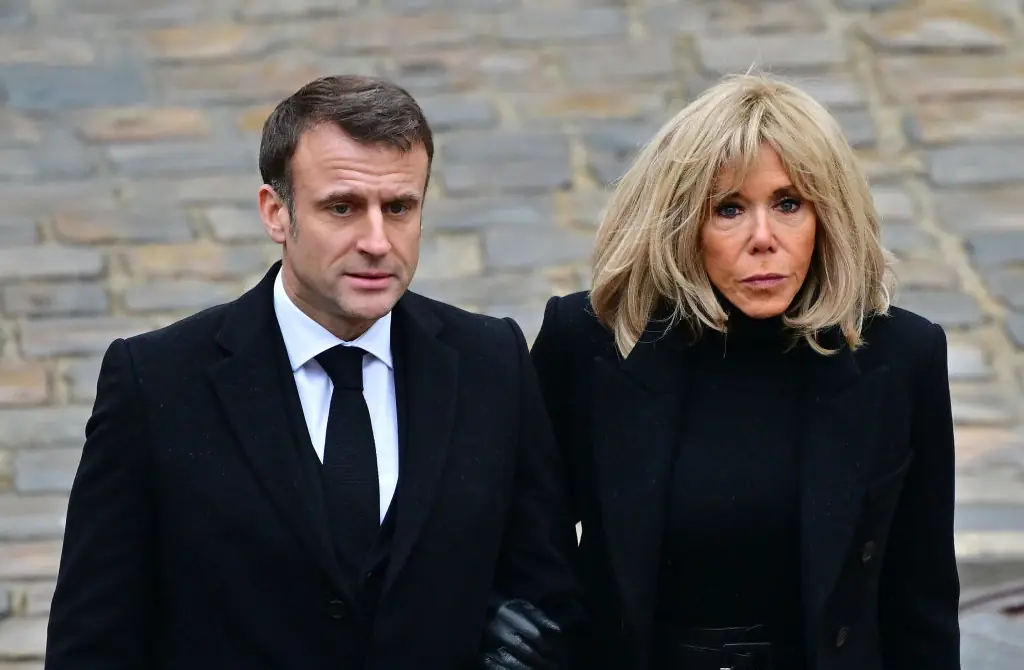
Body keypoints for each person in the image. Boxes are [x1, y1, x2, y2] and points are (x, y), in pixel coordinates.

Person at [45, 75, 578, 670]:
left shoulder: (492, 362)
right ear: (277, 213)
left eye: (399, 208)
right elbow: (93, 637)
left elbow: (545, 588)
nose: (377, 241)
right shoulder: (156, 382)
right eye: (342, 208)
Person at [530, 73, 960, 670]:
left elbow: (923, 599)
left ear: (827, 216)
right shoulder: (591, 340)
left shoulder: (900, 354)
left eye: (789, 204)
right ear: (682, 224)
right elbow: (522, 539)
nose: (764, 239)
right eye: (729, 208)